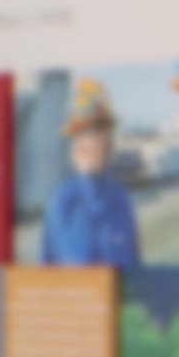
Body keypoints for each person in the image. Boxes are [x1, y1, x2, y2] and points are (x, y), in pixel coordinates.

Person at [38, 81, 142, 270]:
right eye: (77, 135)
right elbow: (48, 271)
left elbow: (135, 268)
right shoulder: (62, 201)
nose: (81, 144)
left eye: (90, 133)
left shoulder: (121, 201)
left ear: (107, 140)